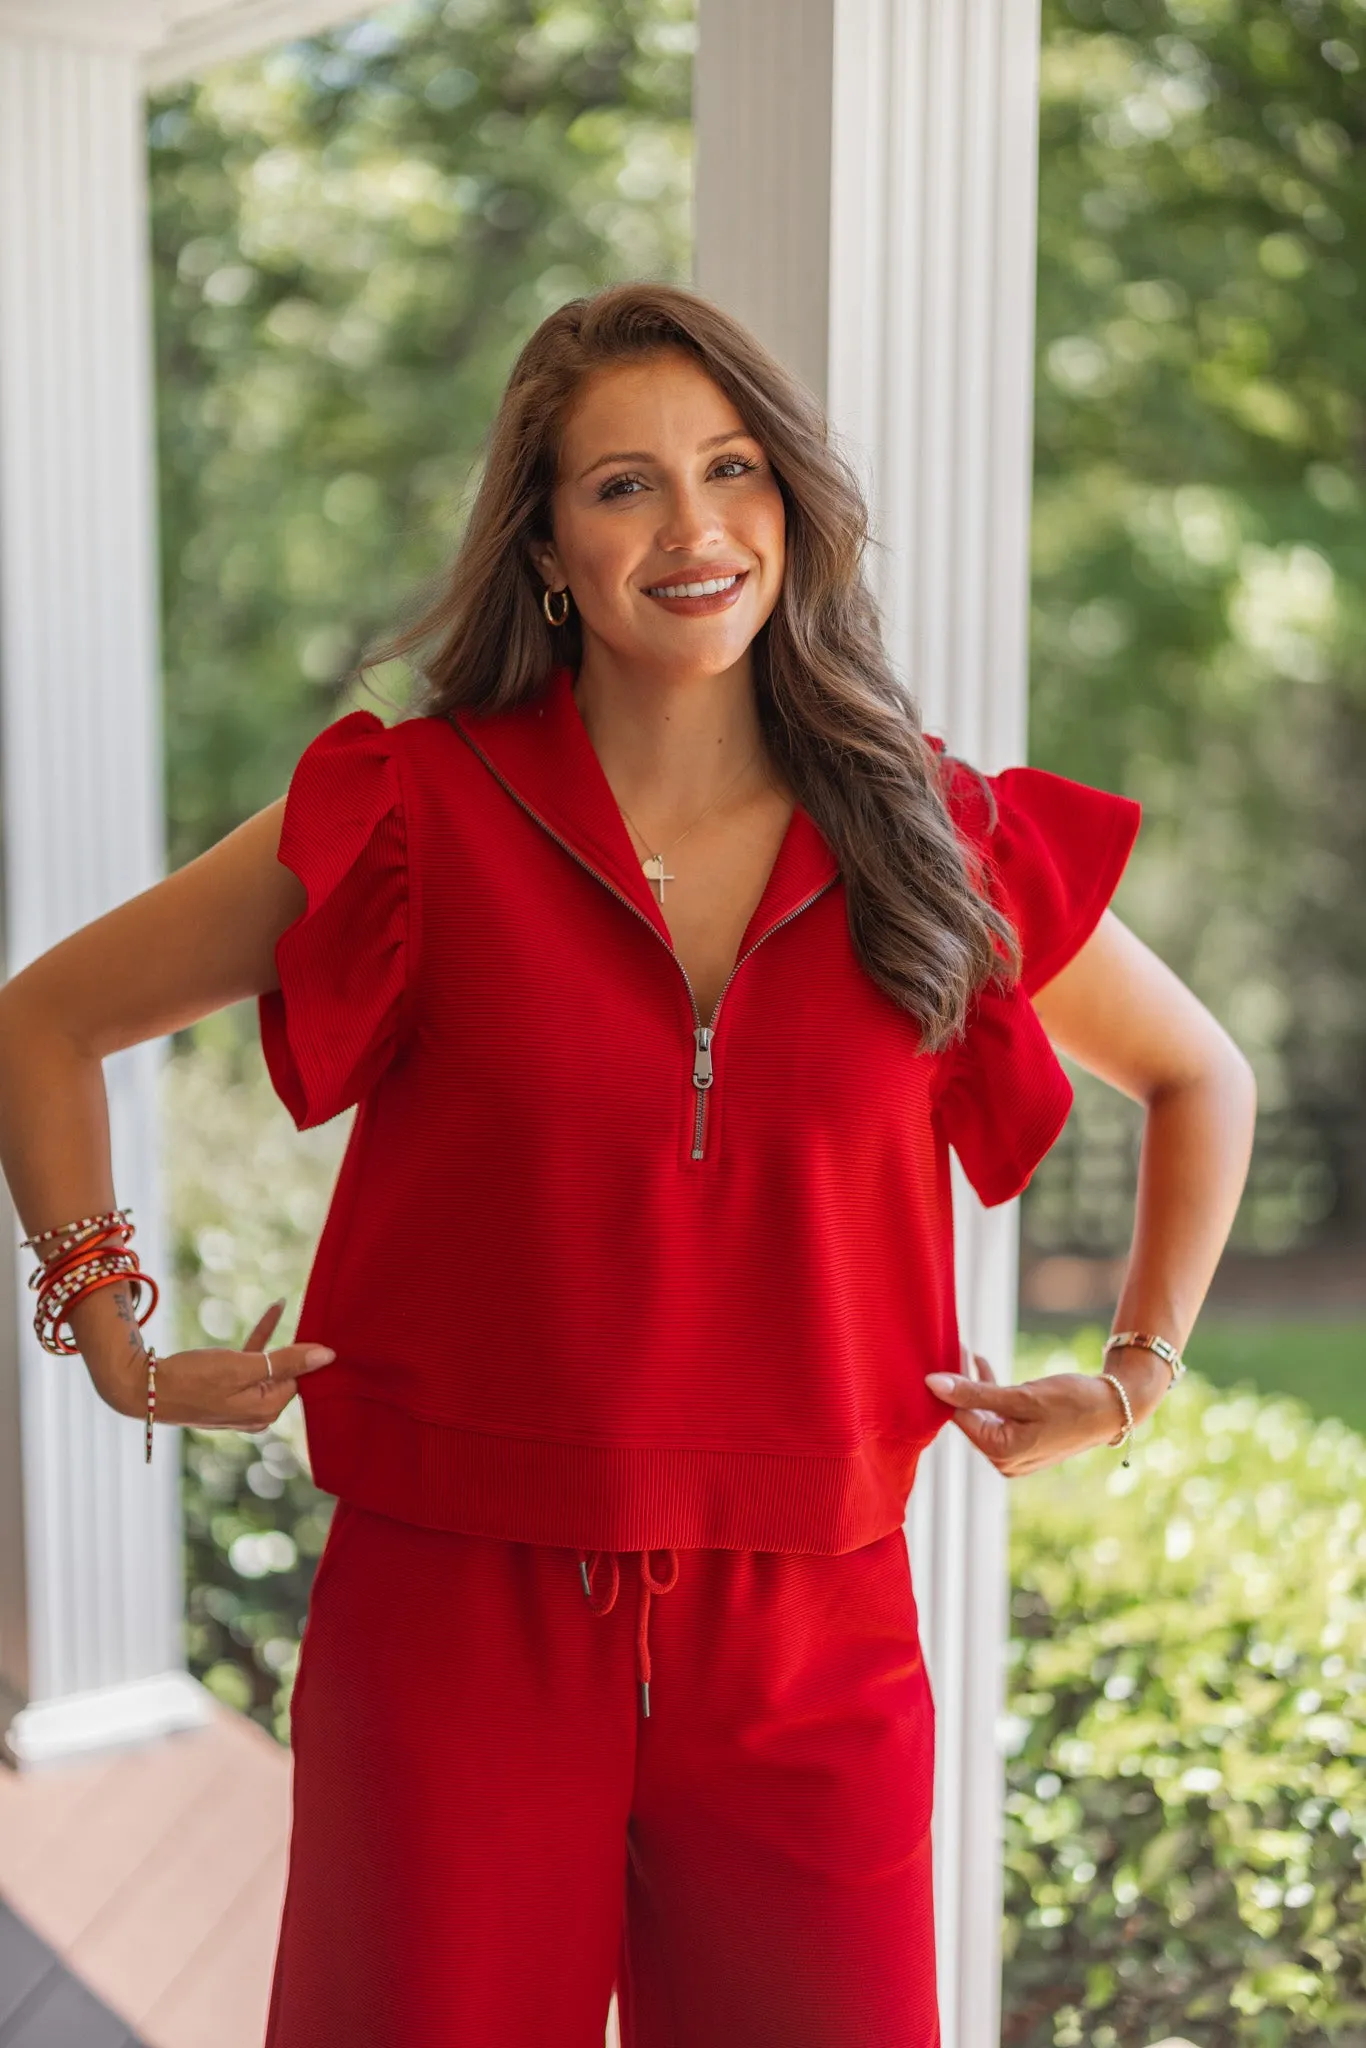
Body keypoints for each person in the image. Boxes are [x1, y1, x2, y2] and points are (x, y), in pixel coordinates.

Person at [0, 281, 1256, 2048]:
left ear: (790, 507)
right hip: (452, 1620)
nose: (692, 528)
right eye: (622, 486)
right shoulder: (405, 815)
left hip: (814, 1635)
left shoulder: (932, 836)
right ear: (543, 548)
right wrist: (116, 1338)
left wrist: (1133, 1379)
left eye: (731, 467)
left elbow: (1201, 1074)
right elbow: (41, 1022)